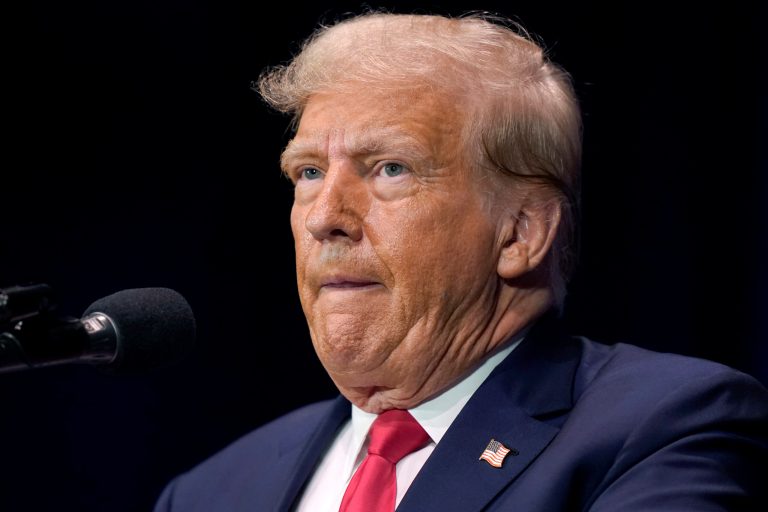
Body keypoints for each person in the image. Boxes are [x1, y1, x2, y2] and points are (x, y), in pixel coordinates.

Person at [154, 12, 768, 511]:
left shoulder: (661, 429)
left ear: (520, 234)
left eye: (390, 168)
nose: (324, 216)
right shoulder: (211, 491)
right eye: (309, 172)